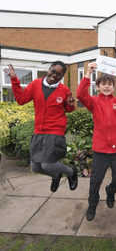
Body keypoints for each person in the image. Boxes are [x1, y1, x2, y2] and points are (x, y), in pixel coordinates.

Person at [3, 62, 78, 193]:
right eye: (53, 71)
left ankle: (72, 172)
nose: (54, 75)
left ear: (62, 76)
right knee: (36, 166)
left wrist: (71, 105)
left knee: (47, 164)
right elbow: (21, 100)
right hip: (39, 130)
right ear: (48, 69)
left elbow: (68, 109)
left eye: (58, 74)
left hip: (55, 131)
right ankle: (56, 176)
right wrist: (14, 79)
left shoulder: (64, 90)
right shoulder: (35, 84)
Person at [77, 62, 116, 221]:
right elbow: (81, 95)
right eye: (103, 84)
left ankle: (111, 190)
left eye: (110, 84)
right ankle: (92, 205)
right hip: (100, 150)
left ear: (113, 87)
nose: (107, 86)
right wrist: (88, 73)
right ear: (98, 87)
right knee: (95, 181)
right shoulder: (94, 102)